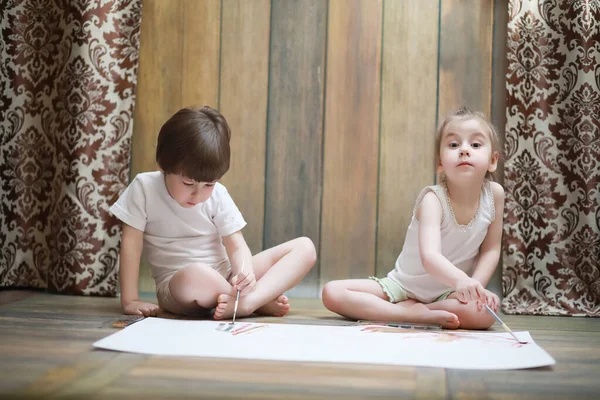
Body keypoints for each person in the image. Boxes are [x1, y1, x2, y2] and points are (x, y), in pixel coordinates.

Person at [110, 106, 316, 319]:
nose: (197, 194)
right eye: (188, 182)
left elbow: (236, 245)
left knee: (305, 248)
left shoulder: (218, 195)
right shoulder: (144, 188)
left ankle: (248, 300)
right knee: (197, 273)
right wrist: (130, 299)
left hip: (226, 276)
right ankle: (252, 302)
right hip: (179, 285)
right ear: (164, 165)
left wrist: (243, 274)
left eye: (209, 184)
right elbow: (131, 245)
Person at [322, 107, 504, 329]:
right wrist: (461, 280)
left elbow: (491, 249)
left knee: (487, 314)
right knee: (332, 292)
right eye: (454, 145)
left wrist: (474, 286)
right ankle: (411, 314)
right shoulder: (433, 199)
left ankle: (420, 311)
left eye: (475, 144)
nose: (464, 150)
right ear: (440, 162)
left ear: (492, 160)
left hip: (449, 293)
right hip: (403, 287)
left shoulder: (494, 194)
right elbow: (430, 256)